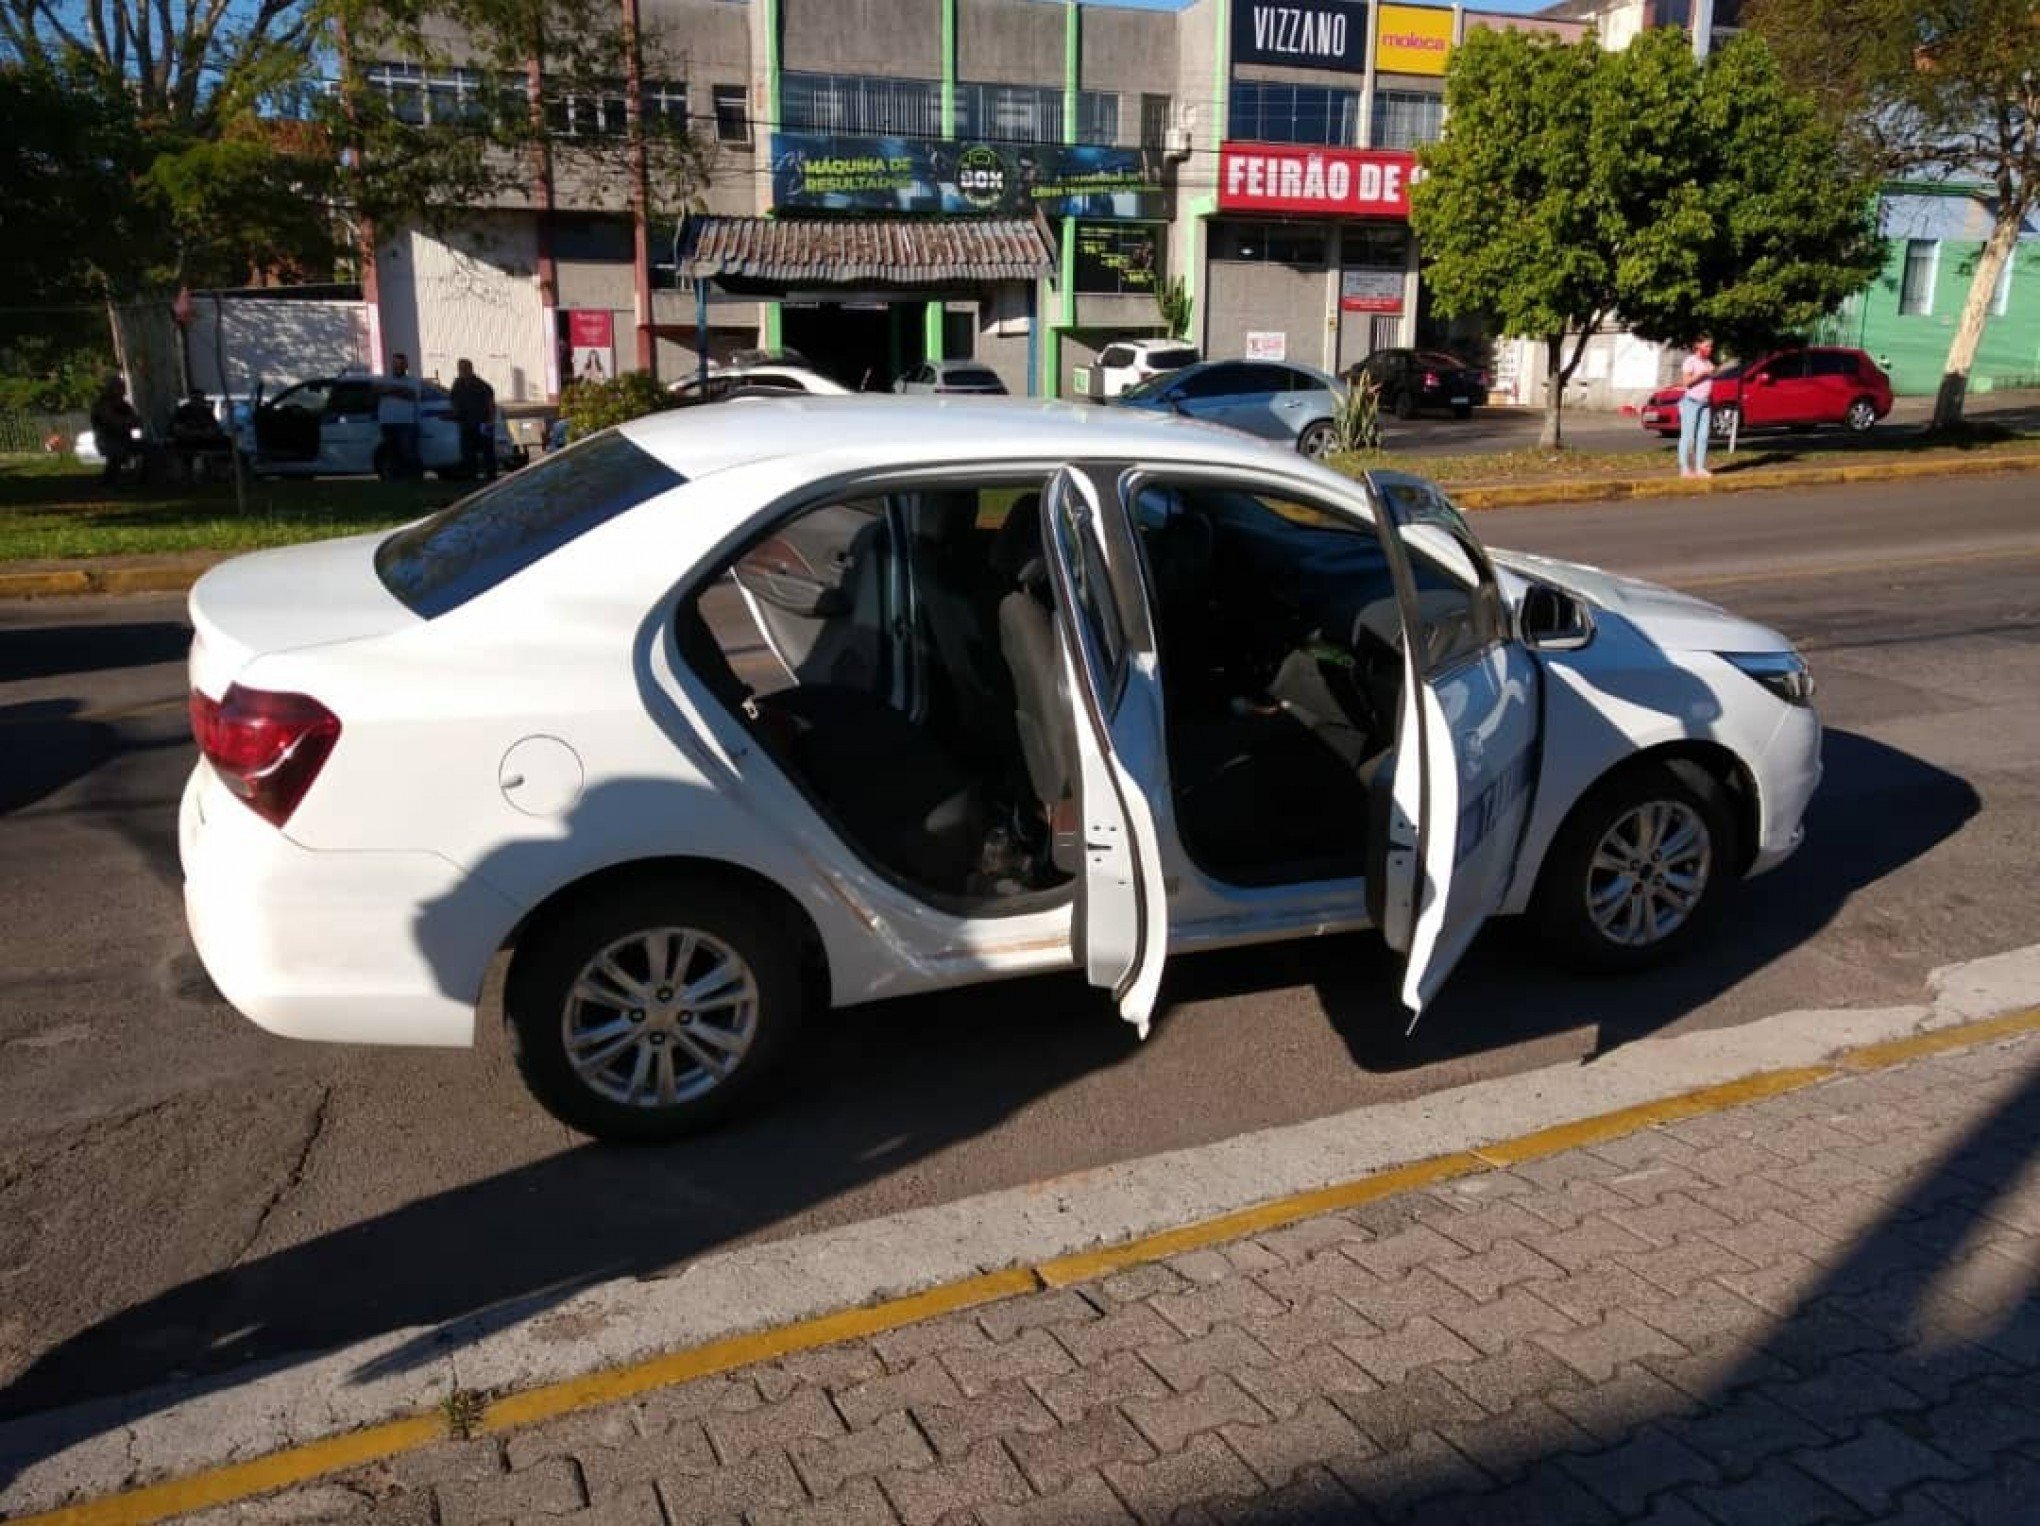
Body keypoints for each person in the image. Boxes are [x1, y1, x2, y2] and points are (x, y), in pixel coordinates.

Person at [449, 358, 498, 480]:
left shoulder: (481, 385)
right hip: (466, 423)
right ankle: (471, 475)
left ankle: (491, 475)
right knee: (468, 451)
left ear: (471, 368)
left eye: (465, 368)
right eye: (460, 368)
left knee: (487, 450)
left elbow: (491, 404)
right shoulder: (457, 385)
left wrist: (490, 421)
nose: (462, 371)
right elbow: (453, 401)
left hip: (482, 422)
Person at [89, 376, 142, 485]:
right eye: (119, 387)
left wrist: (129, 423)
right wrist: (127, 422)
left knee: (146, 447)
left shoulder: (125, 406)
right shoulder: (102, 404)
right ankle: (109, 481)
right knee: (116, 452)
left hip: (125, 438)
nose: (122, 390)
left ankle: (140, 478)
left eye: (122, 387)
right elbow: (112, 421)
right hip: (106, 440)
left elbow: (136, 421)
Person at [377, 353, 423, 479]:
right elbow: (376, 391)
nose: (398, 367)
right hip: (387, 422)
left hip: (407, 422)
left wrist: (390, 390)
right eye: (395, 364)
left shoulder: (413, 381)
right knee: (392, 454)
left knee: (409, 452)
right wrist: (400, 390)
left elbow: (412, 395)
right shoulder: (384, 379)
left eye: (401, 364)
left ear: (406, 365)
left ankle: (415, 478)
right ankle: (396, 481)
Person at [1678, 337, 1717, 480]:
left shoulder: (1707, 362)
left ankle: (1700, 468)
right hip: (1691, 402)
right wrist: (1703, 374)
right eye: (1707, 346)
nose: (1710, 349)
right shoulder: (1690, 361)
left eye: (1711, 346)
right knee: (1688, 437)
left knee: (1703, 436)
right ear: (1697, 345)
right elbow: (1686, 382)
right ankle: (1685, 469)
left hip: (1705, 403)